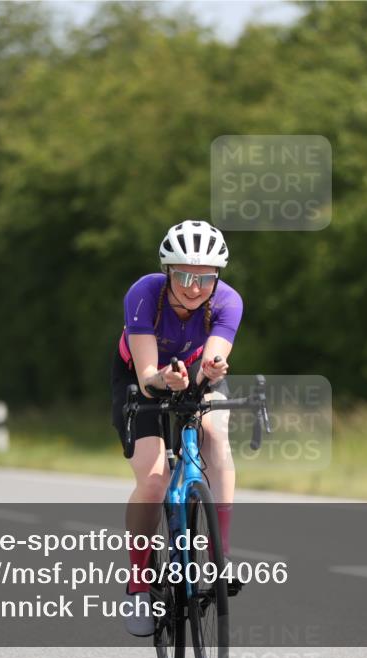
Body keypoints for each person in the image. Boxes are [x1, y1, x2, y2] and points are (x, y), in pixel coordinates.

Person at [110, 220, 243, 636]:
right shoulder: (145, 294)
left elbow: (215, 362)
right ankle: (138, 581)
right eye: (184, 275)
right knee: (152, 481)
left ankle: (219, 550)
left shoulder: (228, 301)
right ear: (168, 271)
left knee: (217, 435)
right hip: (141, 378)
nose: (193, 286)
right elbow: (148, 371)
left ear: (216, 276)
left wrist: (209, 371)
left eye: (204, 277)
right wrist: (163, 381)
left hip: (198, 377)